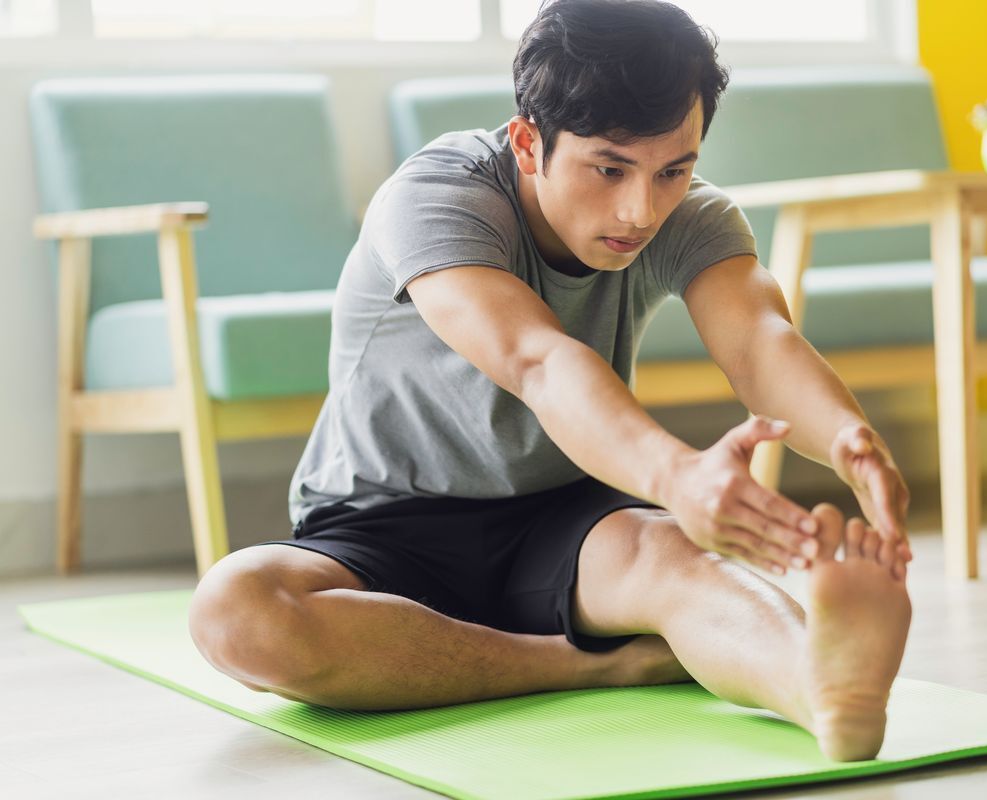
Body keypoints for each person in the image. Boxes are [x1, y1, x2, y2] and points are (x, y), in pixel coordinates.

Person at [189, 0, 914, 762]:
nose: (640, 209)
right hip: (381, 524)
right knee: (236, 612)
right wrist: (677, 474)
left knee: (682, 567)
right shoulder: (438, 197)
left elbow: (760, 342)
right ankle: (603, 664)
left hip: (566, 520)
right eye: (609, 168)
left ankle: (823, 689)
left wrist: (847, 439)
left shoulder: (690, 216)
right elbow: (537, 359)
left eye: (675, 169)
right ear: (529, 141)